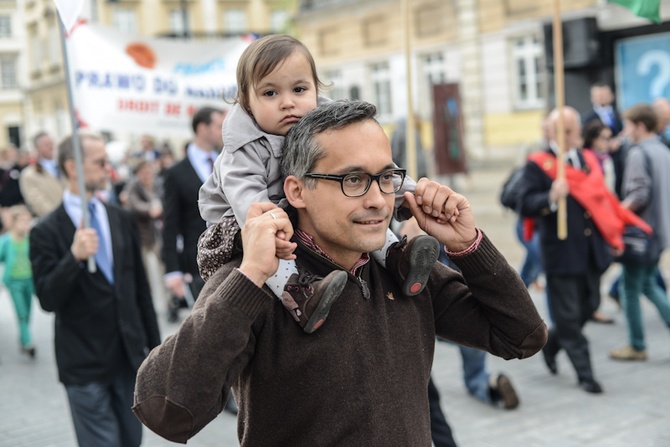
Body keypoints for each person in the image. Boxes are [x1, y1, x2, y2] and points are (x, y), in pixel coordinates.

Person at [133, 100, 547, 445]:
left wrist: (467, 244)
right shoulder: (261, 278)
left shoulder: (404, 270)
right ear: (297, 190)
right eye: (352, 179)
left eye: (386, 177)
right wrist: (246, 279)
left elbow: (521, 336)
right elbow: (169, 412)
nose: (377, 200)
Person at [197, 35, 439, 334]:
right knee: (269, 249)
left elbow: (371, 170)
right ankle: (299, 296)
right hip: (240, 219)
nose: (288, 103)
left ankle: (397, 259)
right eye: (270, 93)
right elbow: (246, 198)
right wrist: (269, 223)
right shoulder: (241, 147)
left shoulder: (326, 124)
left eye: (299, 89)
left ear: (315, 88)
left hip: (292, 204)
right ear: (247, 101)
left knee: (367, 204)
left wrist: (416, 194)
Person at [29, 130, 161, 447]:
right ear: (73, 166)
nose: (108, 169)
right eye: (100, 162)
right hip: (84, 365)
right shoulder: (46, 231)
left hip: (129, 359)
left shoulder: (121, 219)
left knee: (131, 440)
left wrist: (156, 353)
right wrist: (73, 258)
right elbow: (47, 298)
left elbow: (140, 291)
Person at [517, 106, 650, 394]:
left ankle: (552, 345)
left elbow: (601, 201)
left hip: (591, 251)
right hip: (561, 253)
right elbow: (524, 202)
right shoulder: (539, 164)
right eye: (566, 130)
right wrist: (551, 196)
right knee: (567, 316)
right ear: (552, 132)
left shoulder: (587, 160)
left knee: (589, 306)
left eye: (574, 129)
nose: (572, 135)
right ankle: (586, 374)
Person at [609, 104, 670, 361]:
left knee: (630, 288)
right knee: (647, 284)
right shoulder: (663, 150)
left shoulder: (638, 153)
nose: (626, 131)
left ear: (640, 126)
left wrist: (616, 212)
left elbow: (639, 194)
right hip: (660, 231)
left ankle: (637, 345)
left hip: (641, 235)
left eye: (629, 126)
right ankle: (637, 343)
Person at [161, 106, 226, 320]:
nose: (223, 130)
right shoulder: (176, 172)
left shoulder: (229, 161)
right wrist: (172, 270)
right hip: (198, 263)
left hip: (233, 254)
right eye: (218, 126)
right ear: (202, 128)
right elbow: (170, 223)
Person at [123, 159, 167, 316]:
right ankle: (148, 306)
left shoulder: (157, 184)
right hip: (141, 235)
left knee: (164, 269)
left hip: (157, 234)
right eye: (143, 171)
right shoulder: (133, 187)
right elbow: (135, 205)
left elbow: (165, 200)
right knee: (145, 273)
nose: (147, 174)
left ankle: (170, 304)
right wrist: (150, 209)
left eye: (149, 170)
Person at [0, 204, 36, 358]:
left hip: (29, 280)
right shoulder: (6, 241)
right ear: (14, 222)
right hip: (14, 281)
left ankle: (23, 337)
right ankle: (28, 343)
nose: (25, 225)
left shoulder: (30, 240)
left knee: (28, 312)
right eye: (22, 221)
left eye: (27, 221)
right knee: (21, 313)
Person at [19, 132, 65, 219]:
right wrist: (59, 218)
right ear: (37, 148)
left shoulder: (65, 167)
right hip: (52, 221)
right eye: (46, 145)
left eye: (52, 143)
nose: (51, 147)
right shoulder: (29, 175)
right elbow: (37, 202)